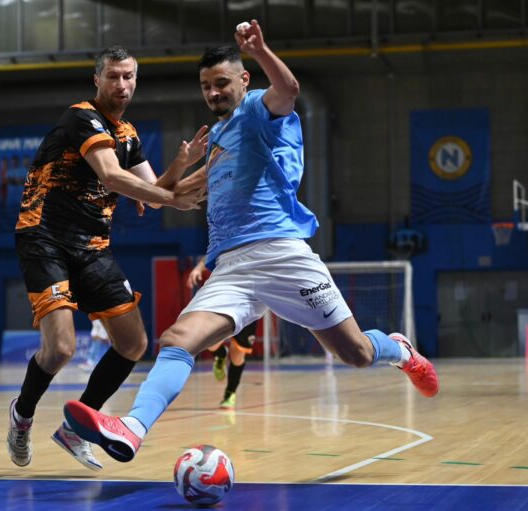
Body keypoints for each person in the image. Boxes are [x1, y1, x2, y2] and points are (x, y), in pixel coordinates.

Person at [62, 21, 439, 464]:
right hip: (232, 267)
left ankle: (399, 349)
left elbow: (290, 88)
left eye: (222, 83)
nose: (214, 93)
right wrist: (171, 193)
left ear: (243, 79)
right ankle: (132, 427)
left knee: (354, 353)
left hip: (282, 254)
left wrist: (260, 50)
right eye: (206, 86)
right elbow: (202, 197)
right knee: (177, 339)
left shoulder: (260, 108)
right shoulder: (217, 137)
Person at [6, 45, 207, 471]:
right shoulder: (83, 117)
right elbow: (114, 178)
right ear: (96, 80)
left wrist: (183, 166)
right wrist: (172, 198)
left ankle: (75, 429)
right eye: (114, 76)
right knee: (59, 348)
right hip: (45, 237)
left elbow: (151, 193)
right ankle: (22, 416)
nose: (122, 84)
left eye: (129, 76)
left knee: (133, 342)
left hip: (92, 246)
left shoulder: (129, 134)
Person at [188, 256, 256, 410]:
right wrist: (198, 269)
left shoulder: (259, 246)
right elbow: (210, 255)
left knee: (238, 354)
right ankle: (220, 354)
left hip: (248, 306)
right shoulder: (230, 243)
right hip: (224, 302)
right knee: (210, 343)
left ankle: (229, 393)